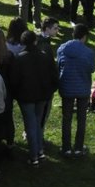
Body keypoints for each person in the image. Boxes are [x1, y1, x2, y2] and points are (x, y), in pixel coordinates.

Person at [8, 28, 58, 165]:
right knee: (37, 122)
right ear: (35, 41)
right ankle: (39, 151)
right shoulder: (45, 57)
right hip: (42, 96)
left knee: (31, 124)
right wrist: (49, 92)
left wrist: (17, 94)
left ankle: (34, 155)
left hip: (26, 97)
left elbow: (14, 80)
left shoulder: (19, 59)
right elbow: (54, 76)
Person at [56, 23, 95, 157]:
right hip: (82, 89)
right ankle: (78, 148)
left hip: (66, 88)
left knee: (66, 119)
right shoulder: (89, 52)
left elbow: (58, 66)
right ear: (84, 37)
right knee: (81, 119)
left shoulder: (61, 49)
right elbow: (92, 69)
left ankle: (66, 148)